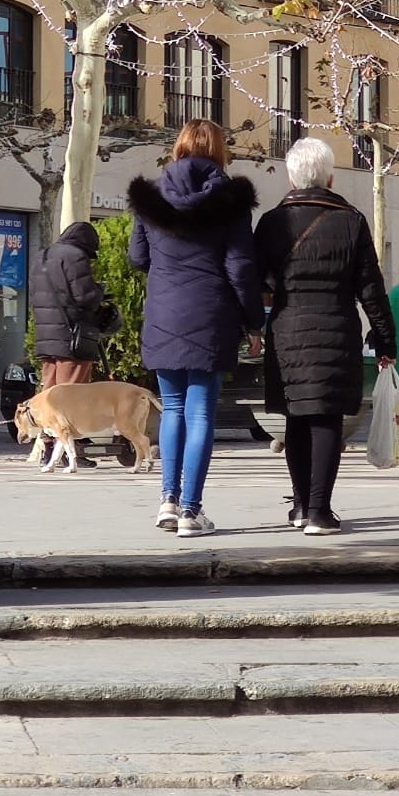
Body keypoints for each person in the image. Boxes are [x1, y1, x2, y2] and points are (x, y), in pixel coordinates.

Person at [252, 137, 397, 535]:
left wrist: (252, 323)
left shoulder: (270, 222)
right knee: (326, 419)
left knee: (295, 418)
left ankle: (300, 506)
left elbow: (255, 281)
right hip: (336, 327)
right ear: (330, 177)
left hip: (287, 330)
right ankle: (319, 512)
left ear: (291, 177)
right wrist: (386, 340)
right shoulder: (351, 221)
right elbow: (371, 288)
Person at [127, 120, 264, 538]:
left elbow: (137, 257)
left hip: (165, 315)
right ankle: (191, 510)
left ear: (179, 148)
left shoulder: (151, 198)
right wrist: (254, 322)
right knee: (201, 410)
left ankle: (167, 500)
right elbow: (239, 266)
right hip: (211, 314)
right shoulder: (231, 201)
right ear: (220, 152)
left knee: (172, 408)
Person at [31, 220, 112, 467]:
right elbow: (85, 295)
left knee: (49, 396)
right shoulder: (76, 257)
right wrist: (101, 292)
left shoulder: (40, 256)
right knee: (72, 396)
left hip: (46, 337)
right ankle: (70, 453)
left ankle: (47, 449)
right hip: (72, 337)